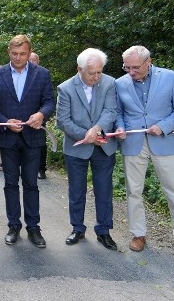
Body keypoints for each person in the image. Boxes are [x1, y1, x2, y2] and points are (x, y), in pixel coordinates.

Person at [115, 45, 174, 262]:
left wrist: (163, 126)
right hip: (133, 144)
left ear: (148, 62)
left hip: (165, 141)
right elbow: (118, 112)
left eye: (135, 67)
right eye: (127, 67)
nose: (131, 72)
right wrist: (121, 127)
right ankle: (138, 234)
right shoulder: (119, 83)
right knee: (134, 191)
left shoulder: (170, 77)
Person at [0, 34, 55, 248]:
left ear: (29, 52)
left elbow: (49, 102)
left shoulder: (42, 74)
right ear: (9, 52)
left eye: (22, 54)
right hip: (8, 138)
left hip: (33, 137)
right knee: (10, 183)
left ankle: (33, 227)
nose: (18, 57)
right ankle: (13, 225)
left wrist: (41, 115)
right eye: (14, 54)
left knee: (31, 183)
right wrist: (5, 122)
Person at [56, 48, 118, 251]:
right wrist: (87, 136)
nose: (96, 77)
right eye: (92, 73)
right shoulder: (65, 88)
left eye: (99, 72)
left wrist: (97, 130)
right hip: (76, 148)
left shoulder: (109, 83)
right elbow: (63, 121)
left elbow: (110, 111)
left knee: (104, 190)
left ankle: (104, 231)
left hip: (103, 147)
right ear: (79, 69)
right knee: (76, 191)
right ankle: (77, 228)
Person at [29, 52, 48, 180]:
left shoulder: (42, 75)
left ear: (38, 61)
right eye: (29, 59)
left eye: (33, 60)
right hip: (22, 119)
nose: (31, 62)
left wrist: (41, 114)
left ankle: (41, 169)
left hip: (39, 117)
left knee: (40, 145)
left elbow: (48, 99)